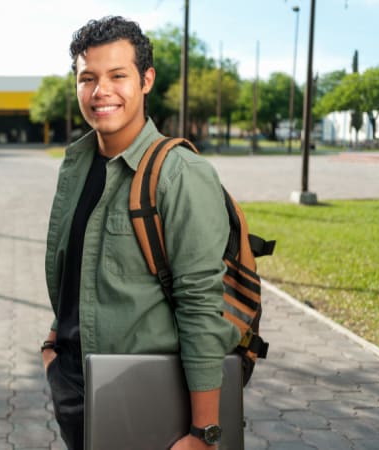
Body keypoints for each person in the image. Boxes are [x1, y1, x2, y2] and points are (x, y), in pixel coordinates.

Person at [41, 16, 241, 450]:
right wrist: (53, 346)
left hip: (144, 394)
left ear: (146, 80)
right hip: (75, 381)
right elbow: (77, 265)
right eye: (88, 78)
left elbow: (200, 305)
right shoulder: (77, 165)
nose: (101, 91)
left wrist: (204, 433)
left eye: (118, 76)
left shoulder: (180, 174)